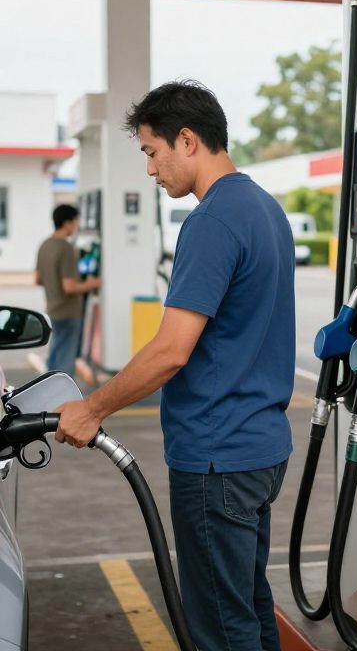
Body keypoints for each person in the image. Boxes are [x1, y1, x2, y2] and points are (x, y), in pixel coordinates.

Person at [54, 80, 295, 651]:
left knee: (219, 626)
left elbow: (171, 350)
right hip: (260, 449)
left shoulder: (211, 222)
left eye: (150, 151)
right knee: (249, 607)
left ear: (186, 141)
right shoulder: (266, 208)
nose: (149, 169)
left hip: (217, 456)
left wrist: (91, 409)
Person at [35, 204, 101, 378]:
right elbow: (69, 287)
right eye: (75, 222)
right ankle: (64, 400)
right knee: (65, 361)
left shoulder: (45, 245)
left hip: (52, 309)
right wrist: (93, 283)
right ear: (67, 223)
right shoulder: (66, 249)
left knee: (55, 356)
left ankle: (50, 395)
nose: (77, 226)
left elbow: (38, 279)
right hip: (68, 312)